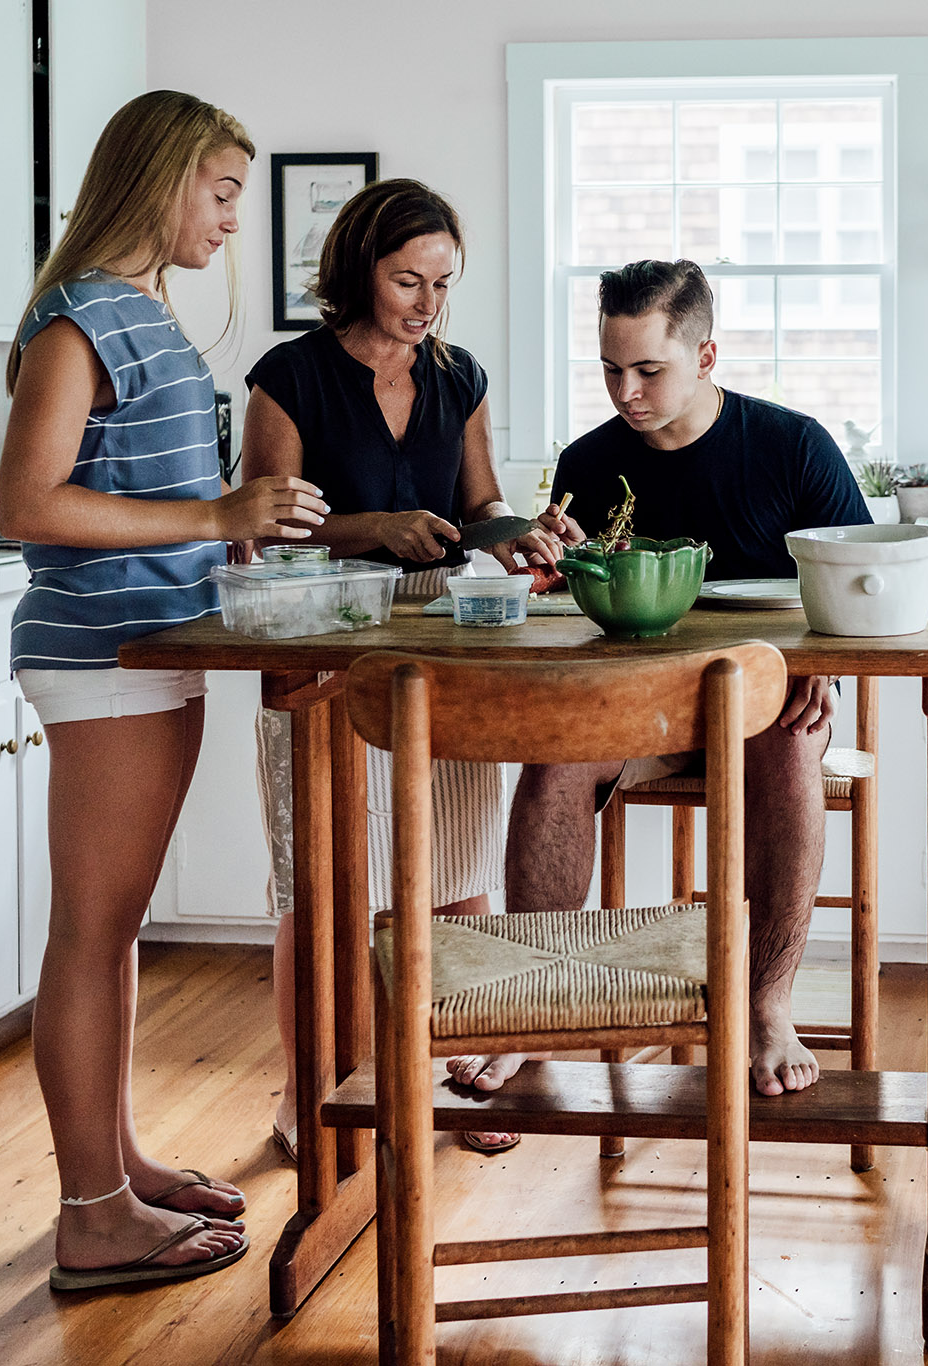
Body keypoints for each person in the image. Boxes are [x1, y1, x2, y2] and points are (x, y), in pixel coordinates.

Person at [0, 90, 329, 1291]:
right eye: (223, 190)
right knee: (91, 931)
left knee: (114, 926)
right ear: (161, 180)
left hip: (154, 646)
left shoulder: (148, 317)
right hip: (101, 656)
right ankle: (91, 1214)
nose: (234, 217)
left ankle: (115, 1162)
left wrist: (229, 545)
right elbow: (30, 503)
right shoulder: (78, 318)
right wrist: (214, 514)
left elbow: (139, 493)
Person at [447, 259, 870, 1099]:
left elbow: (853, 582)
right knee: (553, 757)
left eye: (648, 370)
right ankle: (537, 1001)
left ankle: (766, 1007)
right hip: (634, 716)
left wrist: (823, 670)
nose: (625, 391)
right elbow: (564, 609)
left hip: (761, 712)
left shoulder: (791, 447)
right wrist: (549, 559)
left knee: (791, 750)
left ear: (706, 357)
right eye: (609, 369)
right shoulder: (591, 464)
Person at [240, 179, 579, 1158]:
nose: (426, 302)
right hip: (318, 643)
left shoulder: (456, 375)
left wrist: (526, 532)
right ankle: (307, 1096)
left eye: (441, 281)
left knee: (457, 869)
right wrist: (368, 529)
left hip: (442, 644)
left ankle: (452, 1071)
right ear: (357, 271)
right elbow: (262, 523)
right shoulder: (288, 376)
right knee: (321, 886)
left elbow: (477, 509)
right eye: (406, 280)